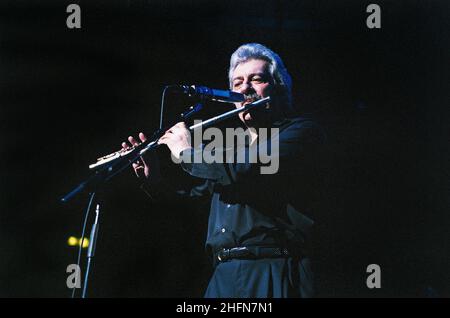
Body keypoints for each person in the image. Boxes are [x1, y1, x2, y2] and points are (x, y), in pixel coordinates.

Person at [122, 43, 326, 298]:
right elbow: (195, 202)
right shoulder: (231, 146)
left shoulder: (300, 132)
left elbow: (242, 169)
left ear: (279, 88)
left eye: (257, 79)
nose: (245, 89)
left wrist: (186, 153)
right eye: (238, 83)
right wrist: (155, 181)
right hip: (224, 276)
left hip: (272, 268)